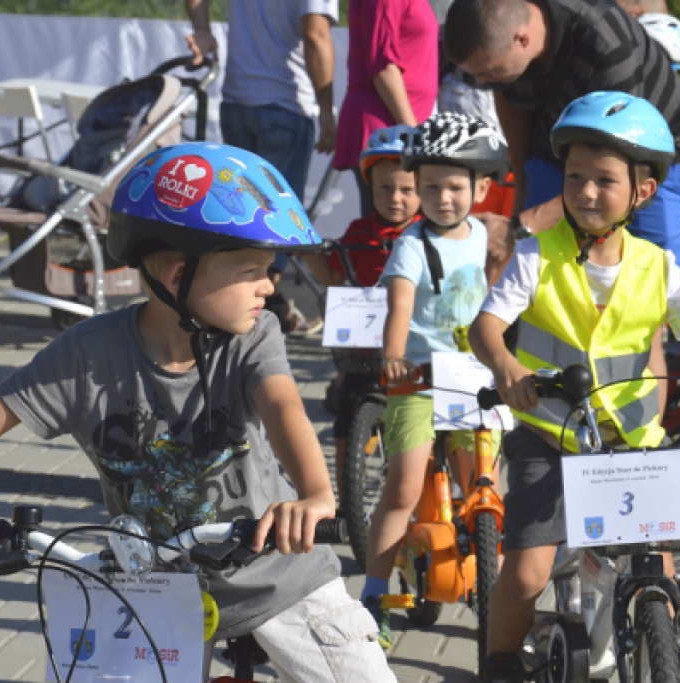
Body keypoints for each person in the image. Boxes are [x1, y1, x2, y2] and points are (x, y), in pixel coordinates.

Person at [0, 143, 396, 683]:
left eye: (269, 269)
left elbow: (283, 406)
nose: (269, 285)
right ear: (178, 276)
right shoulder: (87, 355)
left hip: (280, 577)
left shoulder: (253, 335)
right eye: (252, 269)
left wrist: (314, 496)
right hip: (156, 593)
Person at [466, 92, 680, 681]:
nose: (586, 191)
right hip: (551, 436)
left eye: (605, 180)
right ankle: (498, 662)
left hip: (633, 441)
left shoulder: (656, 266)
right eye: (575, 176)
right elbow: (486, 326)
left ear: (642, 191)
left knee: (659, 571)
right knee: (525, 575)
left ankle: (661, 645)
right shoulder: (535, 256)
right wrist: (506, 367)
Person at [359, 112, 510, 649]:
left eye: (455, 187)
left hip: (471, 378)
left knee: (484, 485)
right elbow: (400, 306)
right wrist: (394, 357)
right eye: (430, 188)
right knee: (402, 488)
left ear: (481, 188)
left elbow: (491, 298)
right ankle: (373, 596)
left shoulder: (483, 235)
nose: (442, 199)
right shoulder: (410, 245)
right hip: (419, 379)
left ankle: (495, 591)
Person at [442, 0, 680, 279]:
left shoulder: (606, 42)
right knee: (539, 268)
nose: (482, 82)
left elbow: (615, 156)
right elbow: (510, 99)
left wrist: (521, 226)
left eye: (489, 72)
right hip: (557, 143)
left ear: (522, 39)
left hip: (648, 151)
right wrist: (522, 189)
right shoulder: (504, 40)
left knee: (655, 275)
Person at [185, 0, 338, 334]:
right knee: (277, 222)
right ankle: (258, 322)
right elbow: (316, 35)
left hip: (237, 102)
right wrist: (327, 111)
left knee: (241, 217)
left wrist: (202, 29)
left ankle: (243, 309)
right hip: (284, 105)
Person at [303, 124, 421, 502]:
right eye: (384, 188)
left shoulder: (428, 235)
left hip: (415, 347)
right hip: (365, 347)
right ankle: (348, 503)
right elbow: (334, 276)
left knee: (425, 422)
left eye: (407, 190)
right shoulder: (359, 232)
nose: (395, 198)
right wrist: (305, 246)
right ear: (370, 188)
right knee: (347, 418)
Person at [333, 0, 439, 218]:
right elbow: (382, 67)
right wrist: (413, 134)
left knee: (407, 227)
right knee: (386, 229)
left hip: (401, 128)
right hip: (387, 130)